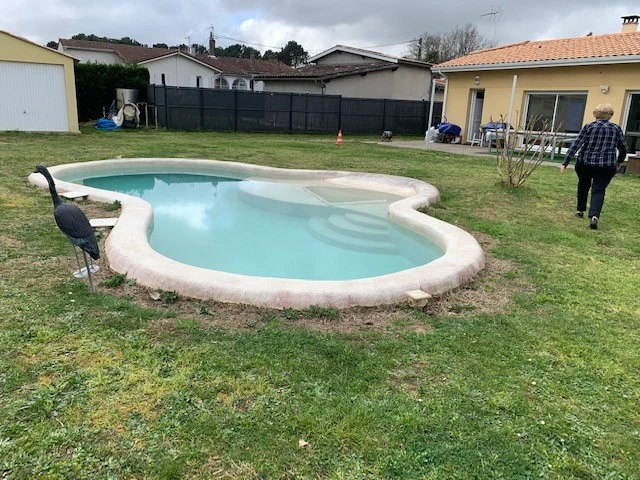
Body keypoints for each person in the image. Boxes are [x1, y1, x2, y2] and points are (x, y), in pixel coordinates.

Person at [561, 103, 627, 230]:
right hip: (606, 165)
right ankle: (594, 216)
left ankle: (580, 210)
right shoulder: (616, 129)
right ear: (610, 115)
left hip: (585, 163)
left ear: (595, 114)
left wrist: (565, 162)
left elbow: (576, 144)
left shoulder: (588, 127)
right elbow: (623, 147)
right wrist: (619, 161)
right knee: (599, 190)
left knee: (583, 185)